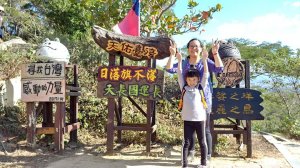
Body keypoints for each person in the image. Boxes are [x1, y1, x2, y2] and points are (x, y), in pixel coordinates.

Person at [166, 38, 224, 161]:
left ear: (201, 48)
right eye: (191, 46)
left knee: (206, 129)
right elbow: (170, 69)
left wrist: (215, 53)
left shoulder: (206, 61)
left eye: (197, 46)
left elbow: (219, 69)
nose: (194, 48)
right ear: (188, 49)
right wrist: (172, 55)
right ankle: (190, 153)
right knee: (190, 129)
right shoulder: (184, 62)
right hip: (189, 102)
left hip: (204, 100)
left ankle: (207, 156)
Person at [169, 44, 209, 168]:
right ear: (186, 80)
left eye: (194, 79)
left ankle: (203, 163)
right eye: (189, 80)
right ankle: (184, 164)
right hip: (187, 119)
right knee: (185, 143)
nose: (192, 81)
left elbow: (206, 74)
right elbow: (179, 73)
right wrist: (180, 60)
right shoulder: (183, 88)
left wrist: (204, 60)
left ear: (198, 79)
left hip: (200, 120)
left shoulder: (201, 87)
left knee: (202, 142)